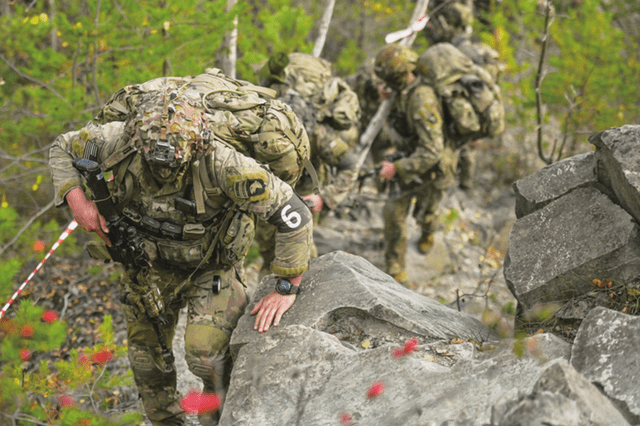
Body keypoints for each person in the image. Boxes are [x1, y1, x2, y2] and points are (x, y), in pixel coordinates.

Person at [48, 81, 313, 425]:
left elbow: (294, 215)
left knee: (207, 355)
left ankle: (217, 415)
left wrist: (287, 286)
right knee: (148, 363)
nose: (163, 172)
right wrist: (75, 197)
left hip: (210, 268)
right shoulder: (118, 138)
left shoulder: (226, 164)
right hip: (144, 264)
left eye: (173, 164)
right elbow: (62, 147)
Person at [254, 52, 362, 279]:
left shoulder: (317, 132)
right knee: (268, 253)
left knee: (303, 261)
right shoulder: (257, 124)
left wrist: (325, 197)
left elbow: (350, 165)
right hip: (266, 195)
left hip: (300, 193)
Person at [372, 43, 460, 286]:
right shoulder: (405, 92)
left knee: (426, 214)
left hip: (435, 168)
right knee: (393, 211)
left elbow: (432, 151)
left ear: (400, 76)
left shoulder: (422, 100)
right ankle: (395, 270)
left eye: (390, 80)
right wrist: (388, 103)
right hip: (412, 159)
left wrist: (396, 168)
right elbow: (402, 130)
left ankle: (428, 233)